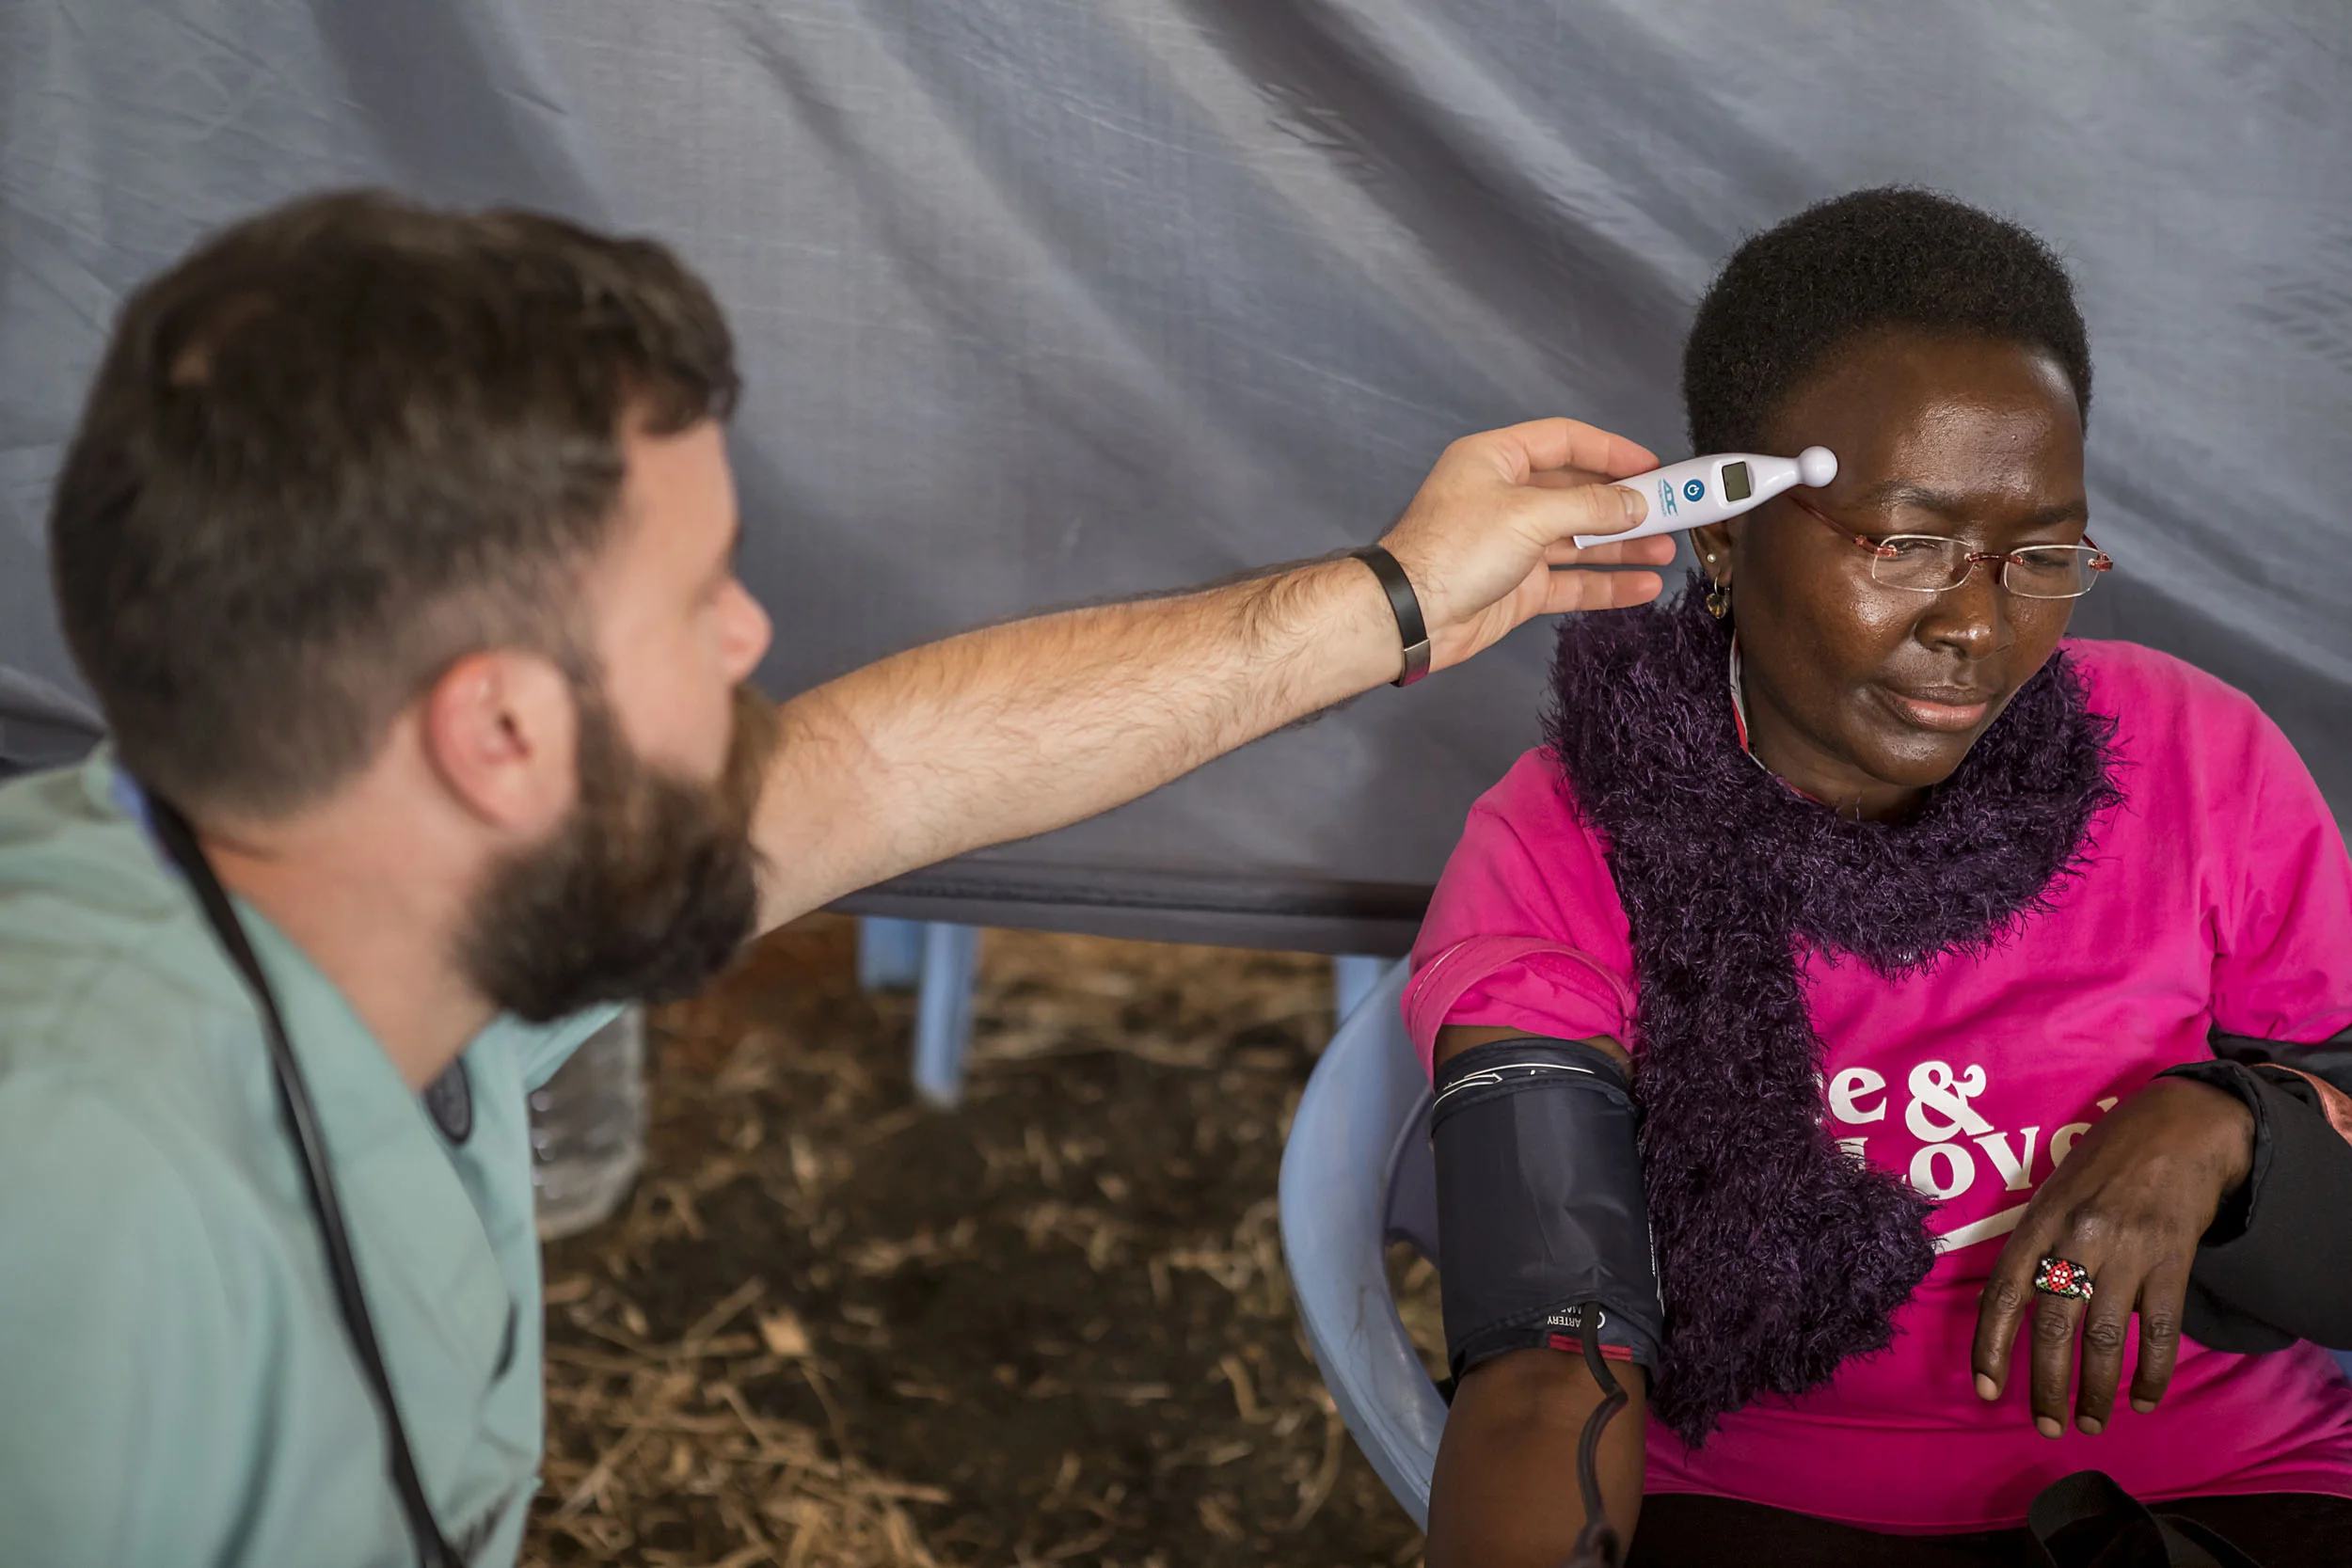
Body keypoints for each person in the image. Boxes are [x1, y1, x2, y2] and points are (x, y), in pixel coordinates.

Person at [0, 191, 1675, 1567]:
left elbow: (872, 768)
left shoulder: (352, 864)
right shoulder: (88, 1226)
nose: (754, 640)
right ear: (495, 727)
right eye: (698, 601)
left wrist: (1404, 596)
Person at [1410, 188, 2352, 1567]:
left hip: (2227, 1491)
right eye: (1900, 542)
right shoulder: (1573, 839)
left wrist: (2233, 1125)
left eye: (2038, 553)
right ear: (1726, 536)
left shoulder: (2196, 760)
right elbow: (1552, 1362)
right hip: (1761, 1513)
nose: (1977, 621)